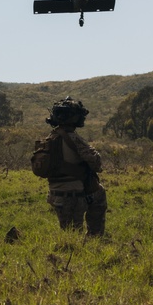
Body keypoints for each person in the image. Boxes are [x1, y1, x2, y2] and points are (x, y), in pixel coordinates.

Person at [43, 96, 107, 236]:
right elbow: (95, 163)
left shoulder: (50, 138)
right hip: (74, 194)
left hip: (55, 194)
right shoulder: (73, 138)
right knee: (99, 196)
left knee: (69, 234)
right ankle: (94, 239)